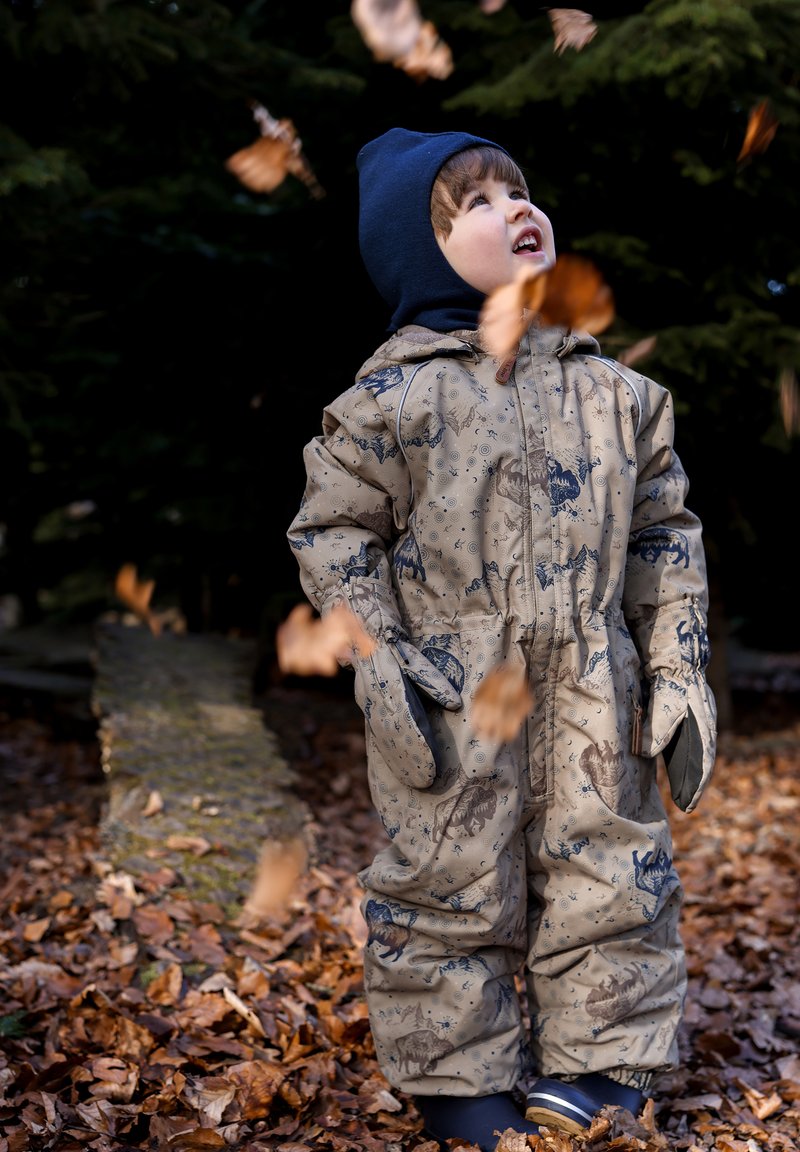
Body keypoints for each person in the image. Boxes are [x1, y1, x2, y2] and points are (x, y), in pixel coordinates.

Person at [286, 127, 717, 1151]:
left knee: (607, 869)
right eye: (472, 203)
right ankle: (454, 1074)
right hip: (449, 684)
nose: (511, 209)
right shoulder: (390, 403)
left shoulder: (617, 396)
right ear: (415, 252)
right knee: (446, 878)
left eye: (516, 190)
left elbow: (662, 532)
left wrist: (673, 665)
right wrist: (384, 660)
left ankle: (601, 1065)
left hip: (588, 682)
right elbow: (335, 531)